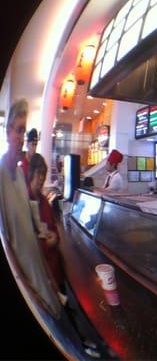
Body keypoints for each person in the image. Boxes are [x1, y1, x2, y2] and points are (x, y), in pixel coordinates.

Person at [0, 99, 61, 315]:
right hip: (25, 284)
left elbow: (30, 226)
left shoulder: (18, 173)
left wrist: (47, 273)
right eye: (17, 130)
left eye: (23, 132)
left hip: (37, 272)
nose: (20, 139)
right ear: (7, 132)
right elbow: (6, 245)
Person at [28, 153, 65, 292]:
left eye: (44, 174)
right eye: (39, 174)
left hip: (54, 274)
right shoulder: (25, 202)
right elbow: (27, 245)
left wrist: (54, 238)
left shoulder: (44, 201)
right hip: (41, 275)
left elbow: (55, 231)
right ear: (31, 174)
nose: (42, 178)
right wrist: (49, 242)